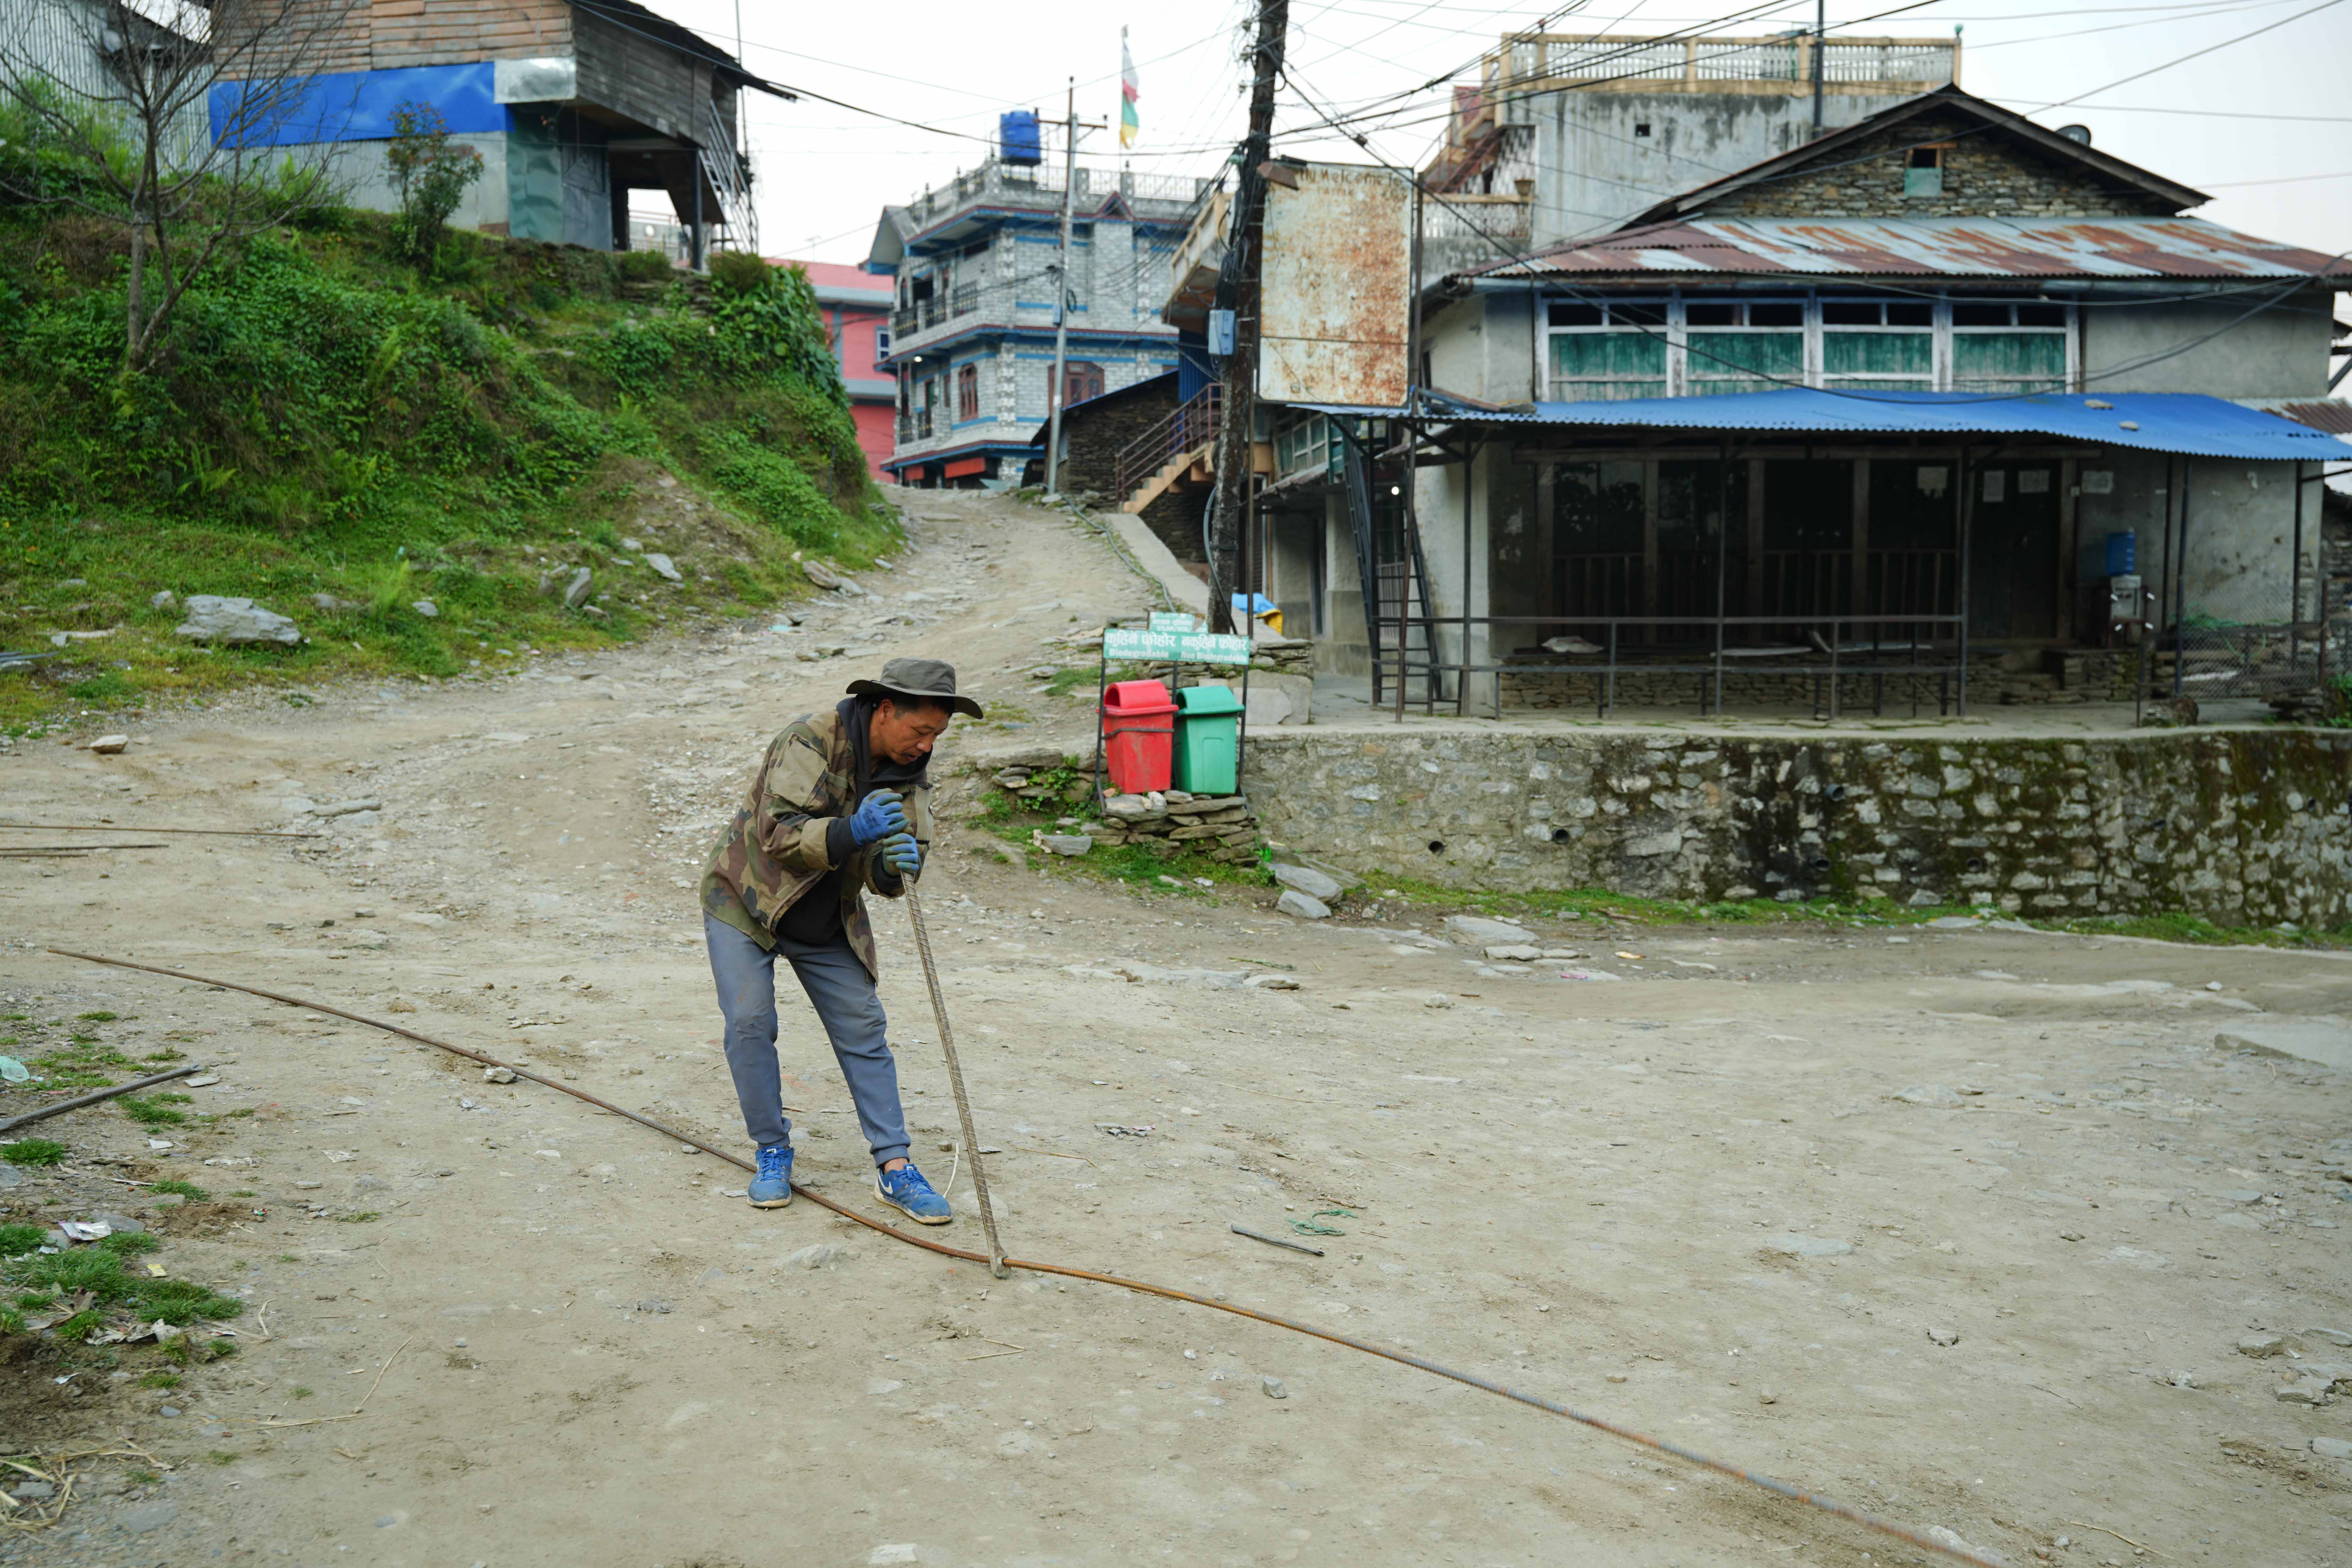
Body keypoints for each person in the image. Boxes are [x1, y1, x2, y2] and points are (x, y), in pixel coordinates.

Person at [697, 657, 981, 1223]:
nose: (926, 747)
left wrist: (894, 866)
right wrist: (853, 831)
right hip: (748, 900)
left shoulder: (911, 778)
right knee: (749, 1020)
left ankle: (895, 1166)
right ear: (883, 709)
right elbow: (776, 833)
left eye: (936, 736)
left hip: (826, 918)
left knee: (863, 1026)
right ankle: (772, 1149)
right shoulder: (810, 739)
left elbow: (889, 879)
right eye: (919, 731)